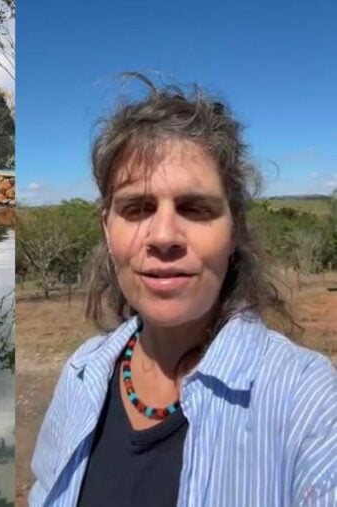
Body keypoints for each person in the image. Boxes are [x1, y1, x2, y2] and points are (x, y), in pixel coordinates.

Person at [29, 75, 337, 507]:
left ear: (233, 231)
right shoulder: (82, 373)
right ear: (107, 229)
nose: (163, 236)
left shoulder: (308, 400)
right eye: (137, 208)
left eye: (195, 209)